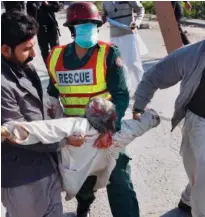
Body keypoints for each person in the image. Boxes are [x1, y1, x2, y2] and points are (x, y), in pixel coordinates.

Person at [47, 2, 139, 217]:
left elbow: (121, 95)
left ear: (97, 26)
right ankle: (84, 205)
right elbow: (51, 96)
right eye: (81, 24)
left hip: (105, 126)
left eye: (91, 24)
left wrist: (109, 129)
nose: (87, 27)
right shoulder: (56, 56)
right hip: (76, 133)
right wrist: (60, 132)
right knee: (82, 179)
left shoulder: (107, 53)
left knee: (120, 177)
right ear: (72, 29)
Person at [2, 97, 160, 202]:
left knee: (82, 193)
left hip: (74, 177)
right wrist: (152, 116)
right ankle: (84, 209)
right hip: (100, 173)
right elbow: (141, 124)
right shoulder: (120, 133)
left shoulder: (77, 127)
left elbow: (42, 130)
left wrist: (8, 130)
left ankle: (82, 210)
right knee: (90, 192)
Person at [133, 39, 205, 217]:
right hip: (199, 122)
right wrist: (139, 105)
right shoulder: (191, 54)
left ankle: (190, 198)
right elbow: (154, 76)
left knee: (201, 173)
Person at [1, 11, 63, 217]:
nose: (34, 54)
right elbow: (17, 133)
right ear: (5, 49)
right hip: (22, 179)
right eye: (27, 49)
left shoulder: (24, 67)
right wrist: (64, 139)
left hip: (47, 167)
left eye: (33, 46)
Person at [102, 1, 146, 96]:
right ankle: (127, 90)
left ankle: (143, 90)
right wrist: (102, 19)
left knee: (134, 63)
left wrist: (136, 22)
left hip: (129, 35)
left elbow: (140, 9)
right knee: (120, 64)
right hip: (114, 37)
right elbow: (104, 15)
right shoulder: (105, 2)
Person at [27, 1, 60, 65]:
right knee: (44, 52)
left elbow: (57, 8)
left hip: (52, 28)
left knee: (56, 49)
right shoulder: (31, 2)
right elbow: (30, 17)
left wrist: (47, 4)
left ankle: (57, 66)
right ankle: (49, 67)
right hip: (41, 30)